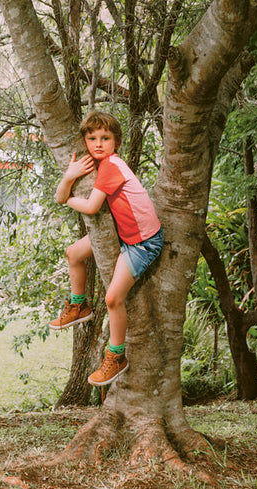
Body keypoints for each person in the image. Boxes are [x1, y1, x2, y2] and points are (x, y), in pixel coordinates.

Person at [48, 110, 164, 386]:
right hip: (122, 234)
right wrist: (69, 177)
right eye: (92, 138)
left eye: (105, 138)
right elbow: (59, 196)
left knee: (113, 298)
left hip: (142, 243)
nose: (98, 144)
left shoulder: (112, 165)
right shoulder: (102, 167)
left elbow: (90, 207)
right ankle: (79, 306)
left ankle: (116, 356)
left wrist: (68, 199)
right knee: (73, 253)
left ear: (116, 142)